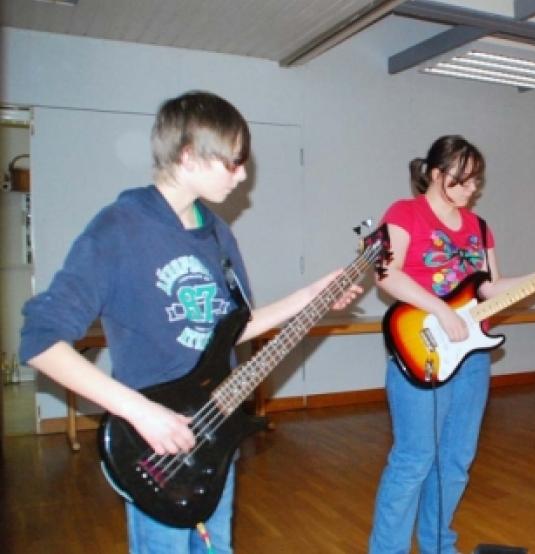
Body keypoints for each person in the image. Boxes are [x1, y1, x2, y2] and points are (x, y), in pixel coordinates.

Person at [19, 91, 362, 554]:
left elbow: (232, 329)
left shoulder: (217, 234)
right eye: (234, 162)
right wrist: (141, 413)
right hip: (152, 442)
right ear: (189, 156)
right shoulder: (119, 228)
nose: (243, 175)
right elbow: (40, 341)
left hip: (213, 430)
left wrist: (310, 297)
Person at [368, 135, 535, 554]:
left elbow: (490, 290)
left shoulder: (480, 228)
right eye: (462, 181)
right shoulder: (404, 213)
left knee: (456, 462)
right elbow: (386, 274)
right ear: (434, 173)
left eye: (475, 182)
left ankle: (438, 545)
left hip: (471, 357)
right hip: (420, 349)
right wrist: (441, 310)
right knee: (414, 460)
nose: (471, 190)